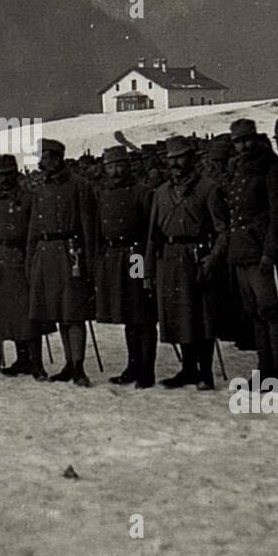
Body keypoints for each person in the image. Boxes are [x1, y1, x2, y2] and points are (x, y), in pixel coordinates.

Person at [217, 119, 278, 381]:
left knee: (270, 311)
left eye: (247, 140)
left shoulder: (271, 169)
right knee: (255, 313)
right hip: (242, 251)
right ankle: (264, 367)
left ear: (257, 139)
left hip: (261, 251)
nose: (243, 146)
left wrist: (270, 252)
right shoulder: (237, 170)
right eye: (238, 142)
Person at [146, 136, 219, 389]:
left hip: (196, 257)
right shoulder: (161, 192)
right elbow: (152, 235)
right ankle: (188, 369)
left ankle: (205, 372)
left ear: (192, 159)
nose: (176, 163)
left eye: (181, 158)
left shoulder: (208, 189)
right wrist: (146, 270)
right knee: (179, 314)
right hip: (169, 257)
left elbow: (223, 230)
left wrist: (212, 258)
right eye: (172, 159)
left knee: (201, 316)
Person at [27, 138, 97, 386]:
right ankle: (69, 363)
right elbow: (34, 227)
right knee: (59, 312)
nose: (41, 163)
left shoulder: (79, 185)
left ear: (56, 158)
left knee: (73, 313)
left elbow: (88, 226)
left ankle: (78, 366)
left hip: (70, 254)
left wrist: (88, 262)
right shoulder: (41, 188)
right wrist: (31, 259)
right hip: (46, 255)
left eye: (44, 158)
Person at [95, 146, 158, 387]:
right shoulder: (104, 194)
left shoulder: (142, 192)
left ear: (128, 166)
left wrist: (146, 258)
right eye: (111, 166)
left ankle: (147, 370)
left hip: (136, 256)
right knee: (126, 313)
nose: (116, 170)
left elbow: (150, 230)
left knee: (141, 310)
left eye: (120, 165)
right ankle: (133, 365)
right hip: (114, 257)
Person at [0, 154, 47, 380]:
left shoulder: (29, 199)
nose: (5, 179)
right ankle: (21, 358)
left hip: (21, 259)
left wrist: (32, 261)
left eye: (9, 173)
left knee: (28, 313)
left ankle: (35, 362)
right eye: (0, 175)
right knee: (5, 313)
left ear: (16, 173)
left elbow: (34, 232)